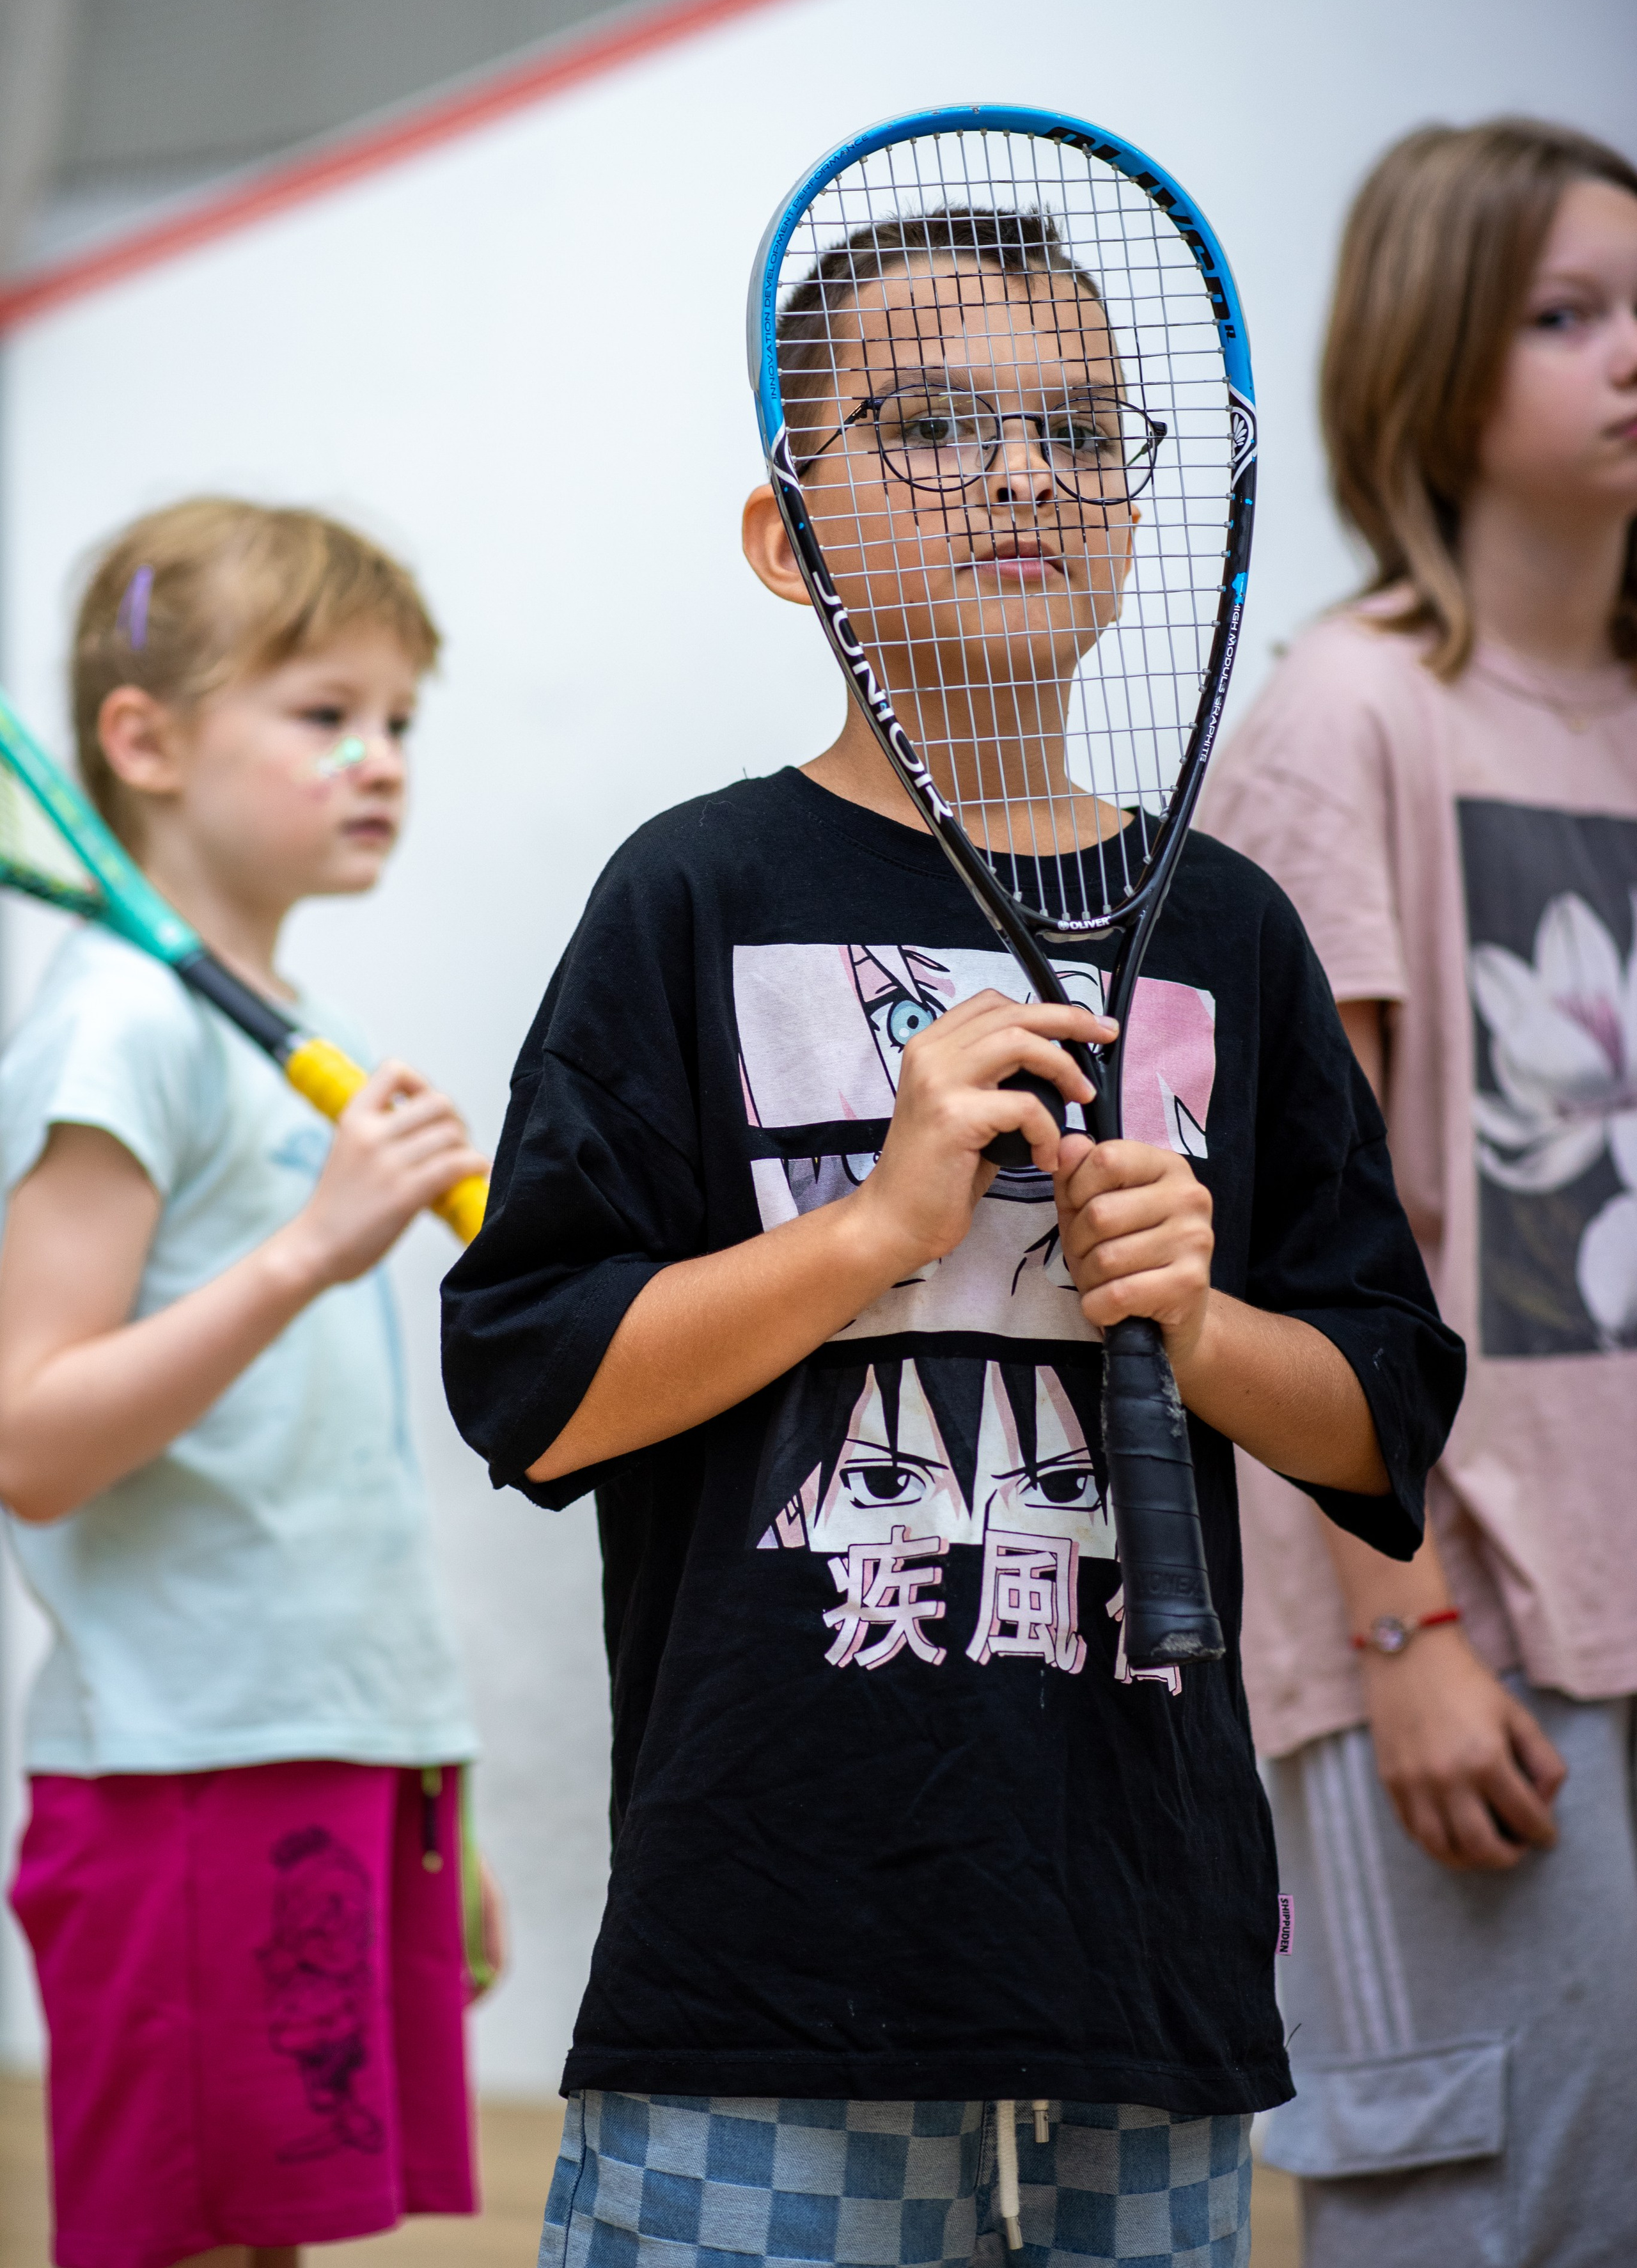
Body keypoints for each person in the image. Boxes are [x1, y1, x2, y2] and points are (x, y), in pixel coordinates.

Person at [443, 205, 1463, 2268]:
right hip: (765, 1953)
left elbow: (1377, 1419)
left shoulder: (1237, 931)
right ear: (783, 538)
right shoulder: (689, 894)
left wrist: (1196, 1305)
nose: (1022, 473)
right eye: (931, 424)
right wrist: (874, 1230)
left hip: (1140, 1954)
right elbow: (534, 1388)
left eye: (1085, 433)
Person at [1199, 119, 1637, 2263]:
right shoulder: (1346, 720)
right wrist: (1404, 1624)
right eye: (1572, 314)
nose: (1632, 353)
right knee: (1494, 2229)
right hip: (1453, 1638)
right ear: (1438, 364)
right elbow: (1290, 1251)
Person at [0, 498, 496, 2268]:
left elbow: (314, 1480)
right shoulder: (122, 1026)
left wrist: (428, 1773)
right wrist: (311, 1249)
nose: (379, 759)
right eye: (322, 712)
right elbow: (31, 1437)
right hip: (185, 1771)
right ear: (142, 744)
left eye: (401, 721)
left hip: (323, 1748)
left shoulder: (259, 1019)